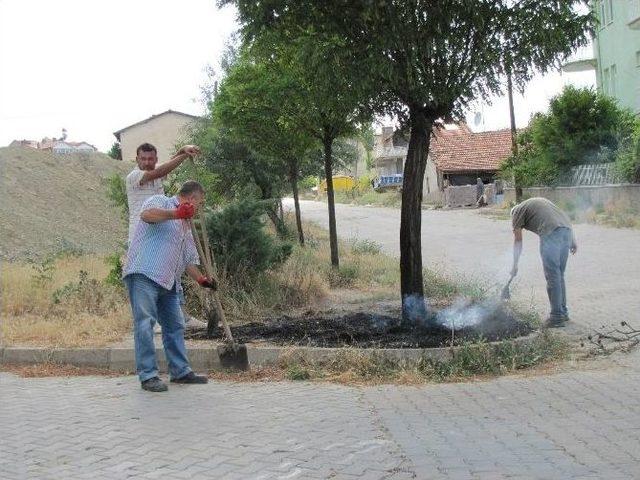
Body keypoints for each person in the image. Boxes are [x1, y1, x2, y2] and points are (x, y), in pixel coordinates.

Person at [123, 181, 217, 392]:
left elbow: (188, 261)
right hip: (144, 273)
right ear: (191, 199)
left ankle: (180, 371)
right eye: (199, 203)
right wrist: (176, 213)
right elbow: (146, 215)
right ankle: (148, 376)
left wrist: (202, 280)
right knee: (145, 324)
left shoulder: (187, 225)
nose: (199, 207)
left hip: (168, 282)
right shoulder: (161, 201)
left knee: (175, 326)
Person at [125, 142, 205, 332]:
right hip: (143, 233)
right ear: (137, 159)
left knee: (174, 270)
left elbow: (163, 170)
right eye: (143, 159)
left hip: (162, 228)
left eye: (151, 159)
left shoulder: (158, 177)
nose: (147, 162)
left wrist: (182, 151)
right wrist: (184, 155)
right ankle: (151, 320)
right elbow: (158, 172)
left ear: (156, 159)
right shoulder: (134, 176)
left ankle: (180, 316)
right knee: (147, 277)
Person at [510, 197, 578, 328]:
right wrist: (572, 239)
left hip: (550, 232)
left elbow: (518, 241)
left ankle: (556, 317)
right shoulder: (536, 203)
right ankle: (563, 313)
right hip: (566, 231)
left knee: (553, 276)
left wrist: (515, 265)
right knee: (559, 275)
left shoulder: (517, 212)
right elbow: (562, 216)